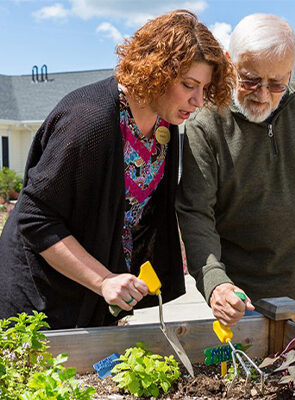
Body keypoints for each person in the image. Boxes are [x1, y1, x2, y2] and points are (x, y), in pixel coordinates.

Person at [0, 10, 234, 329]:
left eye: (203, 88)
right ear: (158, 71)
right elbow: (35, 217)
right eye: (189, 84)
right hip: (40, 299)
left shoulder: (165, 125)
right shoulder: (88, 122)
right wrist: (103, 280)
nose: (197, 100)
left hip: (100, 294)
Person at [176, 13, 295, 337]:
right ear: (229, 62)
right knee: (250, 387)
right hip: (246, 299)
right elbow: (196, 213)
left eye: (277, 84)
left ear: (291, 73)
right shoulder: (206, 124)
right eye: (250, 80)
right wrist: (215, 283)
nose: (263, 94)